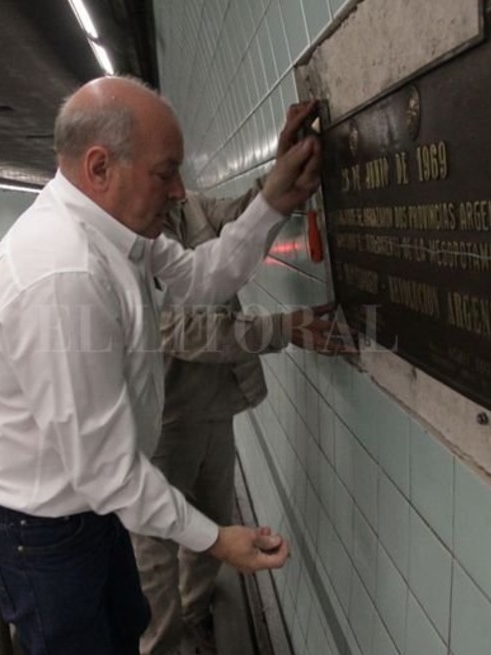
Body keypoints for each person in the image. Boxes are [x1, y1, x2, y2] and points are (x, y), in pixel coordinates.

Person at [0, 76, 321, 655]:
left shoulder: (114, 229)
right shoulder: (62, 276)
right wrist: (218, 539)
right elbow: (104, 469)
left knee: (124, 633)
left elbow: (205, 278)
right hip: (39, 534)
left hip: (85, 510)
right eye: (164, 172)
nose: (179, 192)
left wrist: (274, 199)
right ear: (100, 167)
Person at [134, 102, 354, 655]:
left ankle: (197, 613)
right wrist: (282, 329)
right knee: (159, 542)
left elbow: (239, 216)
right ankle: (161, 642)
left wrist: (280, 172)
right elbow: (184, 333)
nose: (179, 190)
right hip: (166, 421)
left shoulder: (188, 211)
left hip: (217, 407)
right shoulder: (132, 245)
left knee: (210, 518)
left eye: (178, 175)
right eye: (166, 176)